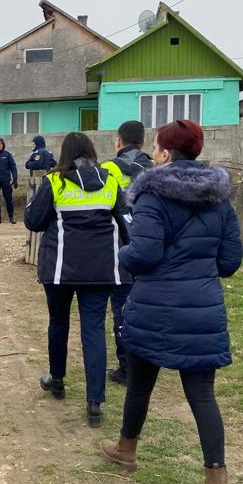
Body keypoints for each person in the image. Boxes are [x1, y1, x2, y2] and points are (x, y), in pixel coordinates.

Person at [100, 119, 243, 484]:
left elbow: (143, 255)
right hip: (202, 310)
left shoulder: (151, 194)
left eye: (156, 147)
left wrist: (122, 255)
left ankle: (126, 449)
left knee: (140, 386)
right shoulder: (220, 199)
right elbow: (229, 262)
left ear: (164, 154)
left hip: (153, 307)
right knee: (203, 396)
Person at [24, 132, 128, 427]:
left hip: (60, 268)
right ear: (92, 152)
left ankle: (57, 379)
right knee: (94, 329)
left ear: (64, 154)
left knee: (58, 321)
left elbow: (33, 221)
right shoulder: (111, 182)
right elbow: (126, 221)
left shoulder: (55, 182)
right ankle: (94, 401)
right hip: (101, 269)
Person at [101, 120, 153, 386]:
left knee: (121, 307)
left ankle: (126, 367)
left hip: (118, 248)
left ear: (118, 142)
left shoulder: (106, 170)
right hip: (150, 247)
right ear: (143, 142)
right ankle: (148, 359)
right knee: (148, 306)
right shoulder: (155, 169)